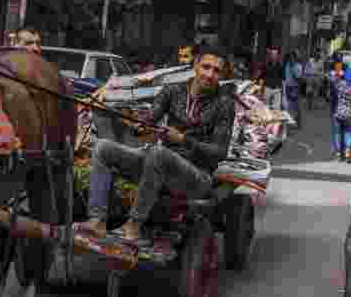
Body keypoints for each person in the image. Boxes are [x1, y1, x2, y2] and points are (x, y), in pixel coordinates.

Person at [75, 45, 235, 242]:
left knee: (158, 152)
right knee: (103, 148)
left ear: (222, 75)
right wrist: (138, 126)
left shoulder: (225, 103)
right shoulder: (172, 91)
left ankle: (133, 225)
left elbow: (219, 152)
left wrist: (183, 140)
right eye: (206, 67)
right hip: (158, 164)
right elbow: (150, 119)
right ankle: (97, 220)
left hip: (196, 175)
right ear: (196, 66)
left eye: (216, 71)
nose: (209, 75)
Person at [251, 45, 284, 110]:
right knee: (265, 108)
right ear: (270, 55)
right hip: (267, 88)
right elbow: (258, 76)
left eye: (275, 54)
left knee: (276, 109)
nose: (273, 56)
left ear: (278, 55)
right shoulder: (265, 65)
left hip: (277, 89)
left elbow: (283, 79)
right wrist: (254, 83)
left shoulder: (280, 65)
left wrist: (283, 92)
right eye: (272, 54)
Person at [327, 56, 346, 157]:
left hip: (337, 106)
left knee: (337, 129)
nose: (338, 67)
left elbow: (329, 93)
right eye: (338, 65)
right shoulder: (343, 76)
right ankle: (339, 149)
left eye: (339, 65)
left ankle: (338, 149)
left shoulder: (332, 76)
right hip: (340, 106)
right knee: (340, 128)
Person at [282, 51, 303, 129]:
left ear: (295, 58)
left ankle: (298, 123)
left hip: (295, 87)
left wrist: (293, 68)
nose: (291, 59)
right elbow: (284, 75)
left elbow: (298, 78)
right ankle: (287, 122)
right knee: (286, 106)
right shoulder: (286, 65)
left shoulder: (298, 66)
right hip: (287, 86)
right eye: (290, 57)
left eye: (293, 57)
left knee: (296, 106)